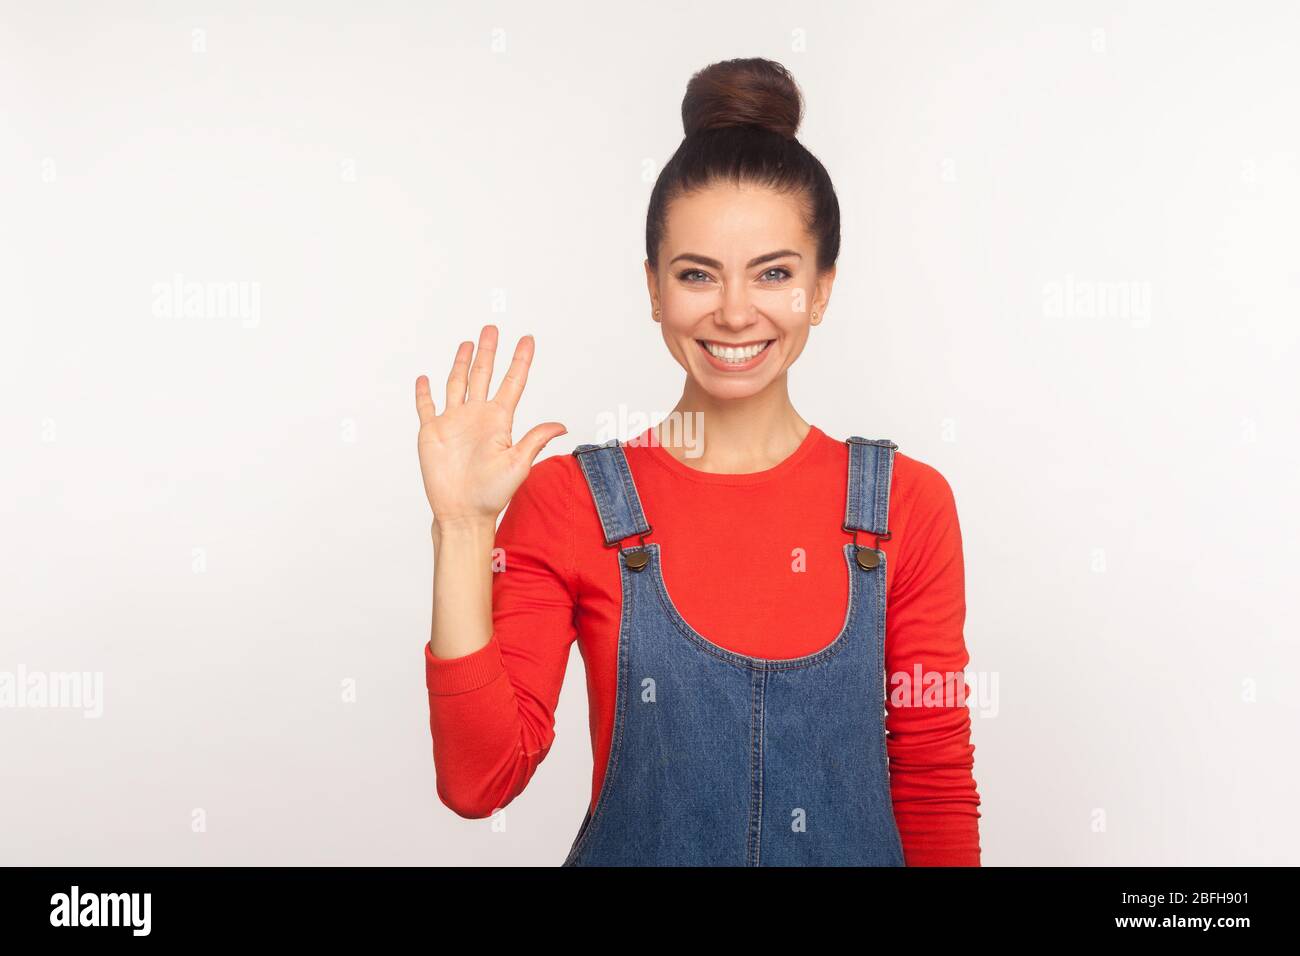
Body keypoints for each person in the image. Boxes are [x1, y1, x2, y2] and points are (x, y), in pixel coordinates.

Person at [414, 57, 981, 866]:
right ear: (654, 288)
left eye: (775, 274)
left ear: (821, 290)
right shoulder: (571, 500)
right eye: (696, 275)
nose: (736, 311)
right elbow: (478, 782)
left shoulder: (907, 507)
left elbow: (933, 783)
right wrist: (466, 530)